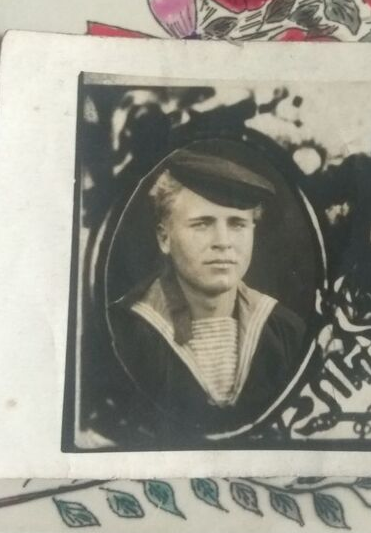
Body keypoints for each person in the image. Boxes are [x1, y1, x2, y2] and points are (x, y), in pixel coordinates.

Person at [109, 146, 306, 438]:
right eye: (202, 224)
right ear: (164, 237)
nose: (223, 242)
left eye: (237, 224)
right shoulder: (124, 333)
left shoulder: (285, 332)